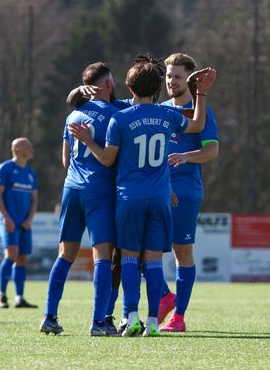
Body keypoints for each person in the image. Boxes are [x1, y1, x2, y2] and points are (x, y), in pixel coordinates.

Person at [70, 54, 217, 337]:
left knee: (128, 257)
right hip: (161, 196)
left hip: (130, 197)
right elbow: (196, 124)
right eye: (169, 76)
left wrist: (88, 140)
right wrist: (203, 93)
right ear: (159, 85)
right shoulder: (167, 114)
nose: (173, 80)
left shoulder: (121, 117)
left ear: (130, 87)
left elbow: (107, 158)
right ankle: (152, 321)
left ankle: (131, 315)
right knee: (152, 260)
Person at [40, 62, 123, 337]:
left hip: (71, 189)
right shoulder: (115, 115)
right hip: (99, 191)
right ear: (108, 84)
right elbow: (112, 158)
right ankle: (99, 321)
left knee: (65, 254)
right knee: (102, 256)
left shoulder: (72, 116)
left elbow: (66, 160)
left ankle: (49, 316)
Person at [156, 53, 220, 333]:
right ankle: (163, 297)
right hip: (155, 190)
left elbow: (212, 150)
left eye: (177, 76)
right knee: (146, 249)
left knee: (182, 251)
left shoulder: (200, 110)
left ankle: (179, 316)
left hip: (185, 191)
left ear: (189, 79)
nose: (172, 81)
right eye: (169, 76)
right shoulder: (158, 109)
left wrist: (186, 156)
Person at [0, 138, 39, 309]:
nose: (31, 148)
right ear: (17, 148)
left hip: (25, 223)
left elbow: (34, 199)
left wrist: (29, 219)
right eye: (28, 146)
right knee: (11, 255)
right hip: (9, 221)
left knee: (22, 259)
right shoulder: (5, 169)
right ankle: (2, 295)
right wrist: (6, 217)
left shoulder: (31, 173)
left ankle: (19, 297)